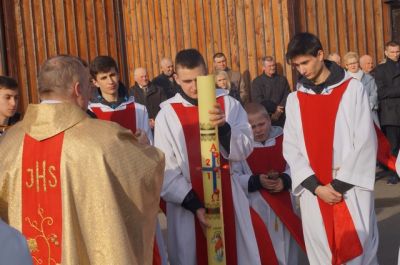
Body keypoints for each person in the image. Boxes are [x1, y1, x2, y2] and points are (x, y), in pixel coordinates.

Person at [0, 55, 164, 264]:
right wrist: (141, 149)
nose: (90, 93)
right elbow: (147, 172)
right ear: (78, 89)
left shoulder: (7, 143)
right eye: (89, 87)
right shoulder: (106, 139)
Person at [283, 32, 379, 265]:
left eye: (305, 63)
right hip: (315, 192)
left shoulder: (352, 90)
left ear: (320, 54)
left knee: (359, 252)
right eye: (297, 66)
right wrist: (317, 188)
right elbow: (291, 148)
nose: (301, 70)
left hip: (349, 188)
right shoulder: (295, 99)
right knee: (322, 254)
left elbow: (366, 142)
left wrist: (335, 187)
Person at [154, 49, 255, 265]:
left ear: (207, 73)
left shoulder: (228, 104)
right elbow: (166, 169)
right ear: (176, 79)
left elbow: (246, 147)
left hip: (228, 196)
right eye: (187, 81)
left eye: (199, 79)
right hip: (188, 205)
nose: (194, 86)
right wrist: (195, 205)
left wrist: (225, 129)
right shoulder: (167, 115)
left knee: (235, 255)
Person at [231, 102, 305, 265]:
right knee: (261, 248)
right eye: (252, 126)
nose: (257, 130)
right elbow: (233, 175)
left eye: (261, 124)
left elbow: (298, 164)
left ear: (270, 120)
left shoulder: (285, 140)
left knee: (288, 248)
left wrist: (285, 179)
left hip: (285, 203)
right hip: (256, 205)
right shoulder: (240, 147)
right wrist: (256, 181)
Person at [88, 55, 152, 144]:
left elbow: (151, 148)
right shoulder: (89, 113)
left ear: (118, 75)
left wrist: (145, 144)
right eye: (104, 78)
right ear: (95, 83)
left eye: (112, 75)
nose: (110, 81)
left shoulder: (139, 110)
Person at [375, 41, 400, 184]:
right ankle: (394, 173)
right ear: (386, 52)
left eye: (397, 51)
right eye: (392, 52)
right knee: (394, 145)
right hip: (390, 114)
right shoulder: (381, 69)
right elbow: (381, 92)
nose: (395, 54)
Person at [251, 56, 290, 127]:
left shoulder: (282, 79)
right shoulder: (257, 82)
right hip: (265, 117)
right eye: (270, 66)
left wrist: (279, 111)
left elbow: (287, 95)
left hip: (282, 116)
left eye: (273, 65)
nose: (272, 68)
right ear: (263, 67)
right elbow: (258, 100)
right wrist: (273, 111)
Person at [343, 52, 379, 125]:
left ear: (358, 63)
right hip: (351, 116)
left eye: (355, 63)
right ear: (346, 66)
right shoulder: (343, 80)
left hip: (368, 113)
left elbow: (374, 94)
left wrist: (366, 107)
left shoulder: (369, 78)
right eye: (350, 64)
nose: (353, 65)